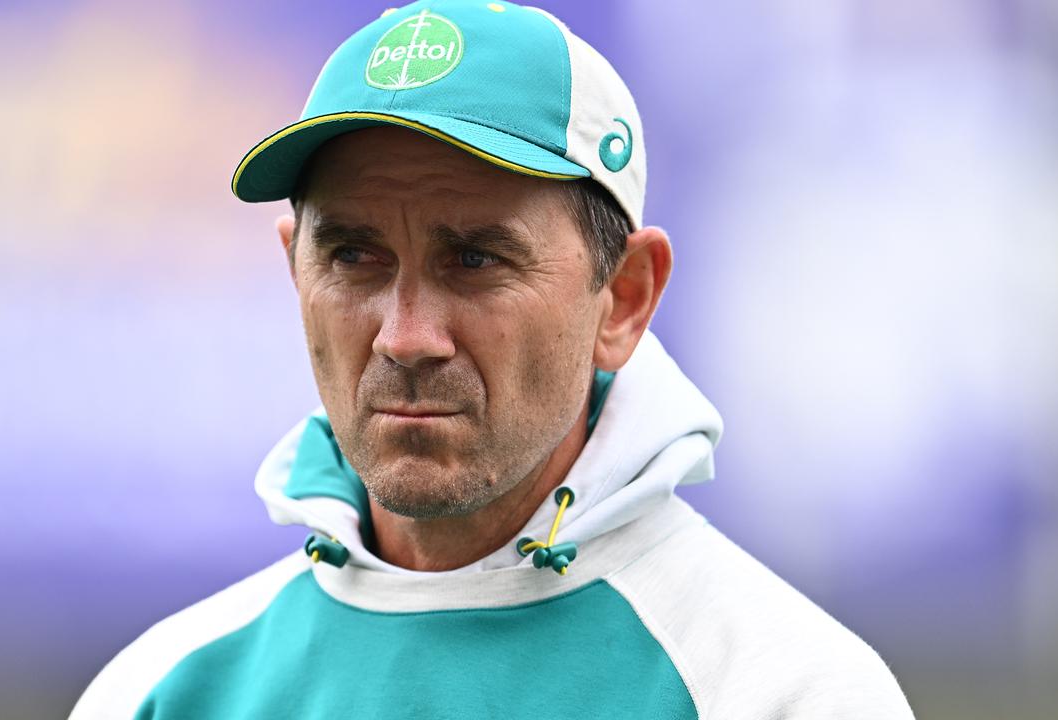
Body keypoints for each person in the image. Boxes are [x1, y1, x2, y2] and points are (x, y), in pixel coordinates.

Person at [70, 1, 916, 717]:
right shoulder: (162, 690)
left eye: (474, 260)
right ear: (295, 267)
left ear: (623, 298)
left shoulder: (781, 691)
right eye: (354, 257)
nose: (404, 336)